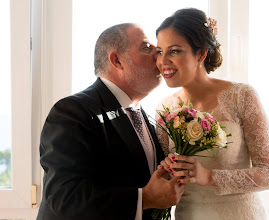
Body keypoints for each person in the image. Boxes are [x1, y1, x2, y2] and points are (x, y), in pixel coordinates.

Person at [37, 23, 185, 220]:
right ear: (117, 60)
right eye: (147, 48)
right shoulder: (72, 112)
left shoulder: (145, 116)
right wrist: (145, 198)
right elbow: (65, 197)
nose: (158, 55)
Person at [155, 8, 269, 220]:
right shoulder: (165, 109)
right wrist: (166, 170)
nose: (163, 61)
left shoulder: (242, 96)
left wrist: (210, 176)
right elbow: (166, 175)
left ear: (201, 53)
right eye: (159, 51)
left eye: (174, 51)